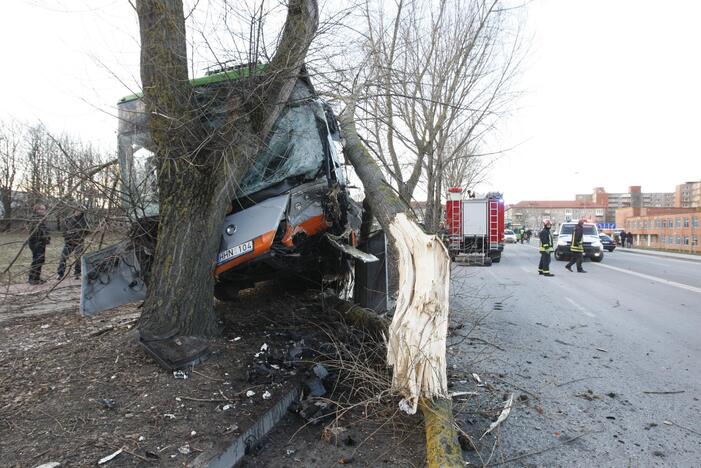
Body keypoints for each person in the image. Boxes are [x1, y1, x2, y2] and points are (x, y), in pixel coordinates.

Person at [57, 207, 89, 280]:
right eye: (77, 210)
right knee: (63, 257)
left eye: (80, 211)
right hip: (69, 242)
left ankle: (77, 273)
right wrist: (67, 236)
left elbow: (87, 231)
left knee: (78, 258)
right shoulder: (68, 219)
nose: (78, 212)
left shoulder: (84, 220)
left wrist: (80, 234)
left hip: (79, 242)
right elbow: (64, 230)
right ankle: (60, 274)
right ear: (74, 210)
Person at [27, 203, 51, 285]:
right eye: (41, 209)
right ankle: (32, 278)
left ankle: (37, 278)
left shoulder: (43, 219)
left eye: (44, 209)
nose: (43, 211)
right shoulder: (34, 219)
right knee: (36, 260)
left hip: (42, 242)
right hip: (35, 242)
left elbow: (46, 230)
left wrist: (47, 239)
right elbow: (35, 231)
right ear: (37, 210)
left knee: (40, 260)